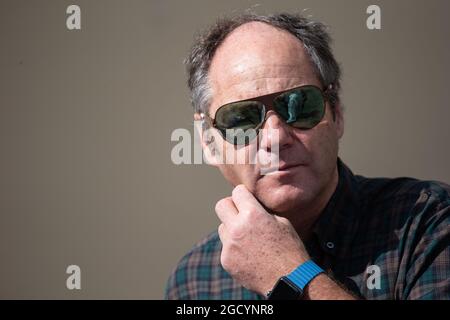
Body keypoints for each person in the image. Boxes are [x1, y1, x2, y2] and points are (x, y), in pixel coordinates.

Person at [165, 13, 450, 300]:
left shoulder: (428, 223)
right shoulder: (194, 280)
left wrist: (287, 271)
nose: (275, 137)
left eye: (298, 104)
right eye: (242, 117)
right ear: (209, 143)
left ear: (336, 113)